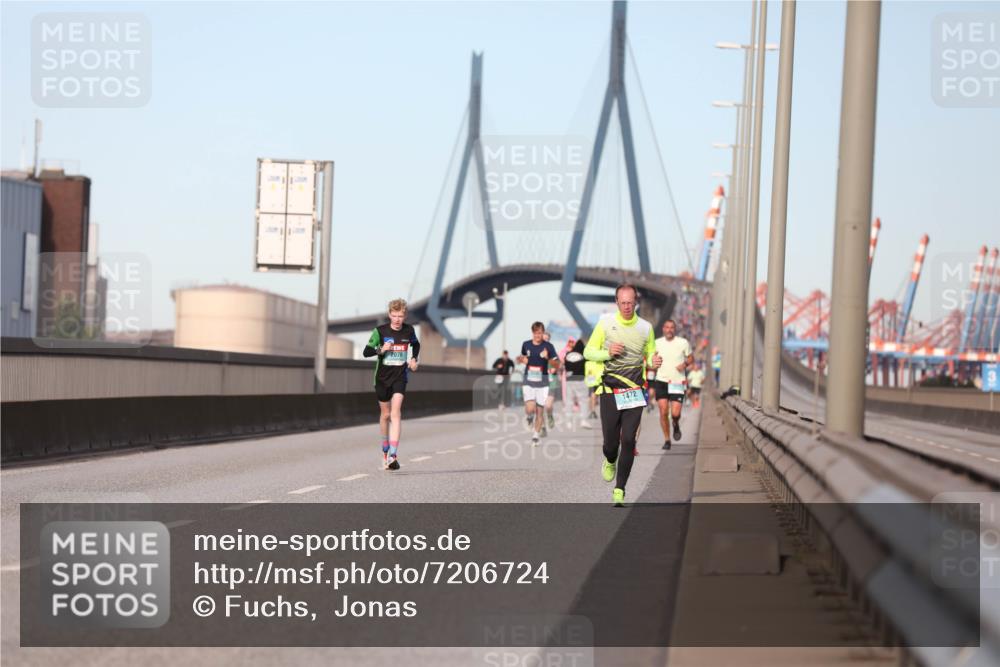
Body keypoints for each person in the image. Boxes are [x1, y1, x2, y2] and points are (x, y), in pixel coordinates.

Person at [584, 284, 661, 506]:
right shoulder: (605, 324)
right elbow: (588, 352)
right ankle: (610, 459)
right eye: (623, 302)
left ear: (636, 302)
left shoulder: (646, 328)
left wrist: (654, 361)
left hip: (634, 391)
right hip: (610, 390)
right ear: (616, 302)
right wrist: (607, 353)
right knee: (610, 444)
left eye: (630, 302)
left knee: (628, 440)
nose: (627, 306)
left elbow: (650, 354)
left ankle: (620, 489)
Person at [363, 298, 420, 470]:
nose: (397, 319)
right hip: (382, 378)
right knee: (385, 415)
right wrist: (381, 350)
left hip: (400, 376)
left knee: (396, 413)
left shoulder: (409, 330)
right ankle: (385, 449)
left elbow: (416, 344)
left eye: (400, 316)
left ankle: (393, 456)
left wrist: (414, 359)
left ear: (405, 316)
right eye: (394, 316)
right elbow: (366, 352)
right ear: (389, 315)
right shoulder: (380, 331)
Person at [652, 319, 693, 450]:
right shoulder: (657, 343)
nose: (669, 330)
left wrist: (684, 364)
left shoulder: (683, 342)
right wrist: (653, 362)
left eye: (672, 327)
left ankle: (675, 423)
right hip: (661, 381)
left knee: (675, 414)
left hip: (677, 381)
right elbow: (651, 358)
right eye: (667, 327)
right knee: (663, 411)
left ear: (675, 329)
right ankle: (667, 439)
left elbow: (691, 358)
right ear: (663, 329)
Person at [518, 322, 560, 445]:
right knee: (530, 408)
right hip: (529, 381)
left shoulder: (549, 347)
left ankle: (536, 435)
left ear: (543, 333)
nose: (538, 335)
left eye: (540, 333)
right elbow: (522, 358)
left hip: (543, 384)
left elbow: (557, 365)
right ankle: (529, 416)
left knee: (540, 411)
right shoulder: (526, 344)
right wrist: (522, 360)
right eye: (536, 333)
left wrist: (547, 358)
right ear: (533, 333)